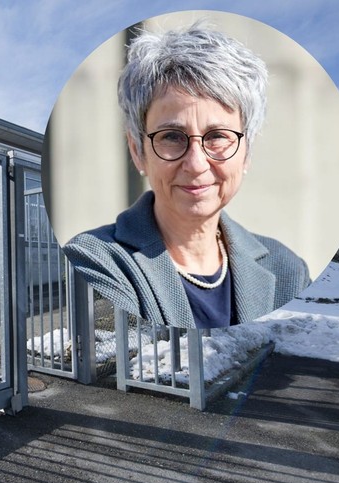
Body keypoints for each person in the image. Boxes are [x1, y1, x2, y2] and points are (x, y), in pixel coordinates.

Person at [62, 23, 310, 330]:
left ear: (246, 152)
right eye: (171, 136)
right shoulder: (94, 260)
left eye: (217, 136)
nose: (196, 164)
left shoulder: (289, 271)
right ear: (138, 151)